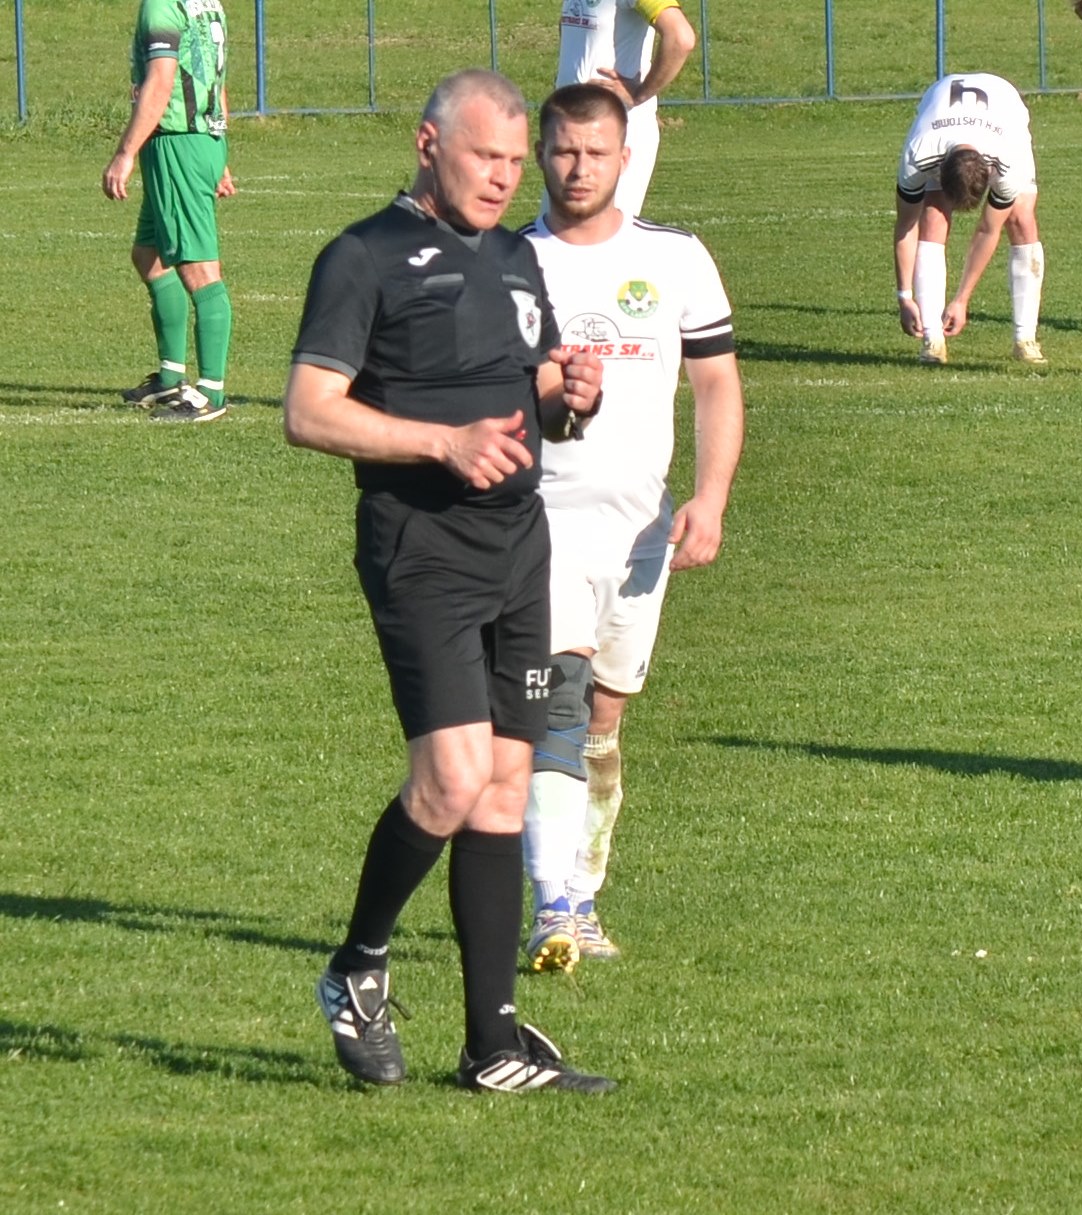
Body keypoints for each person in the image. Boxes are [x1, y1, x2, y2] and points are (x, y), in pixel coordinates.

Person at [283, 69, 615, 1094]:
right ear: (429, 145)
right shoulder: (362, 256)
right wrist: (443, 442)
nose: (506, 179)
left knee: (506, 786)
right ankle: (356, 966)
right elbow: (308, 411)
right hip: (421, 547)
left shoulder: (515, 255)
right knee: (451, 778)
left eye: (516, 161)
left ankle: (491, 1047)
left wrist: (572, 395)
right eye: (486, 157)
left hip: (519, 548)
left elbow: (537, 394)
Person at [518, 83, 745, 973]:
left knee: (602, 723)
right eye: (563, 152)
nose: (578, 169)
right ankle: (553, 906)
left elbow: (716, 383)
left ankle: (585, 888)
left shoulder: (674, 258)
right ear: (541, 156)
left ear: (624, 157)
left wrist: (710, 498)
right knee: (558, 704)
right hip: (537, 525)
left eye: (595, 153)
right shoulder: (510, 260)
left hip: (640, 533)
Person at [102, 0, 234, 423]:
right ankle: (171, 376)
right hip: (199, 141)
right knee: (149, 255)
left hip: (177, 143)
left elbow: (161, 82)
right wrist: (218, 151)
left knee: (199, 270)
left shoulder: (161, 5)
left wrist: (125, 153)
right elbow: (215, 77)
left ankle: (211, 392)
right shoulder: (207, 3)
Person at [893, 72, 1046, 367]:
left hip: (1004, 106)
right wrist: (904, 297)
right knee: (933, 216)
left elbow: (989, 229)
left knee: (1021, 219)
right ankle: (932, 338)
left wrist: (962, 299)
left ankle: (1025, 338)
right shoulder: (920, 153)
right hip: (940, 109)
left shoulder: (1007, 160)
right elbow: (905, 226)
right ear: (938, 172)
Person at [555, 0, 696, 214]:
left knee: (602, 231)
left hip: (616, 134)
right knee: (554, 232)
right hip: (569, 134)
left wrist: (639, 95)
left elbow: (681, 38)